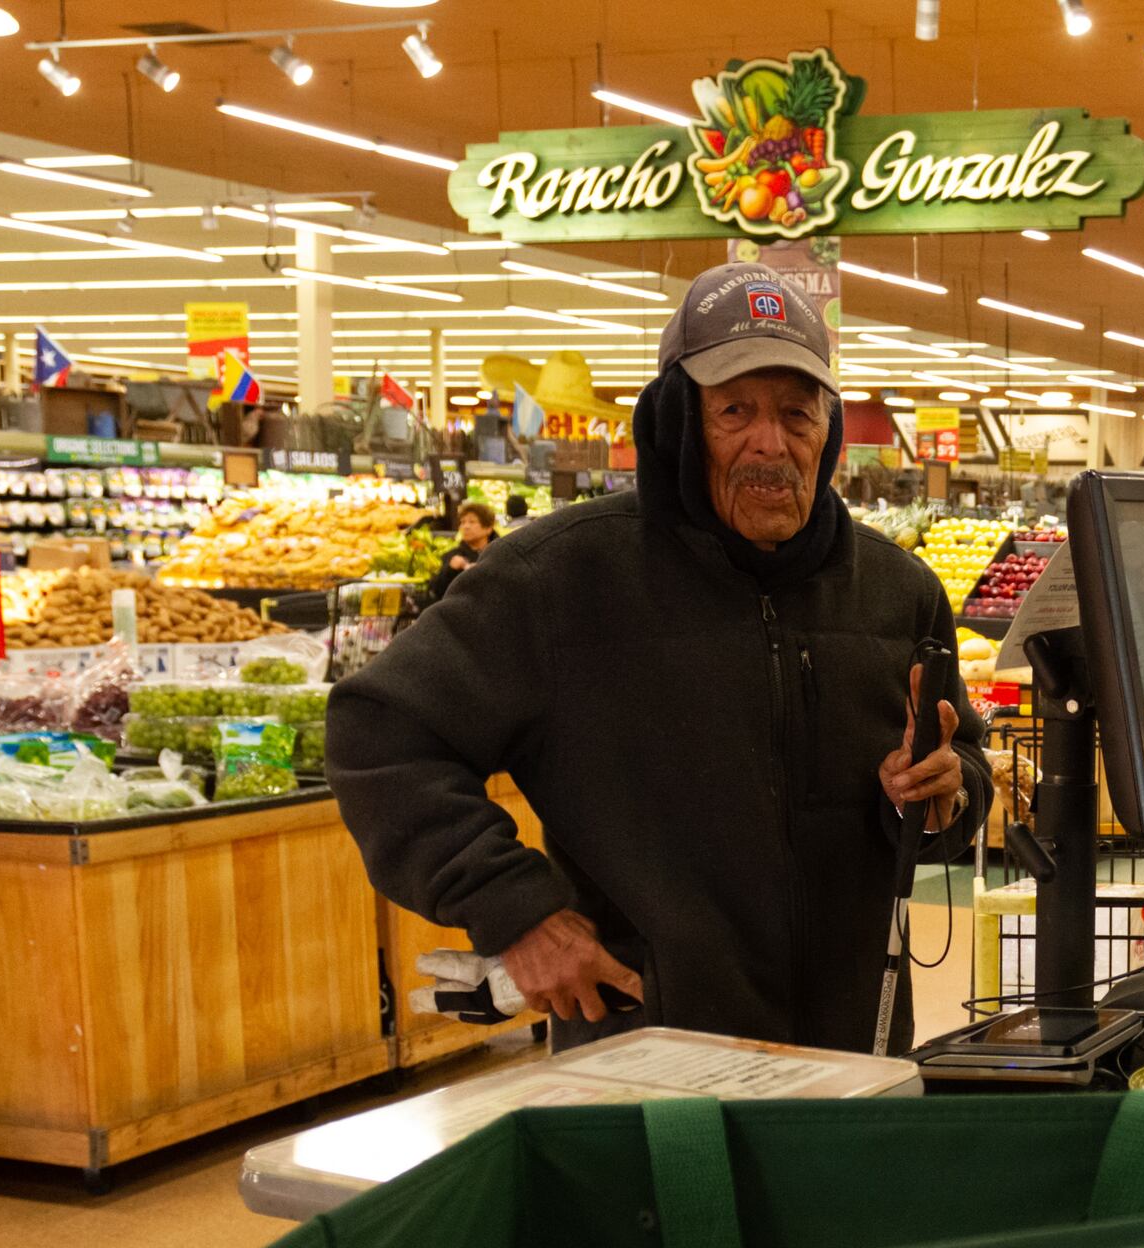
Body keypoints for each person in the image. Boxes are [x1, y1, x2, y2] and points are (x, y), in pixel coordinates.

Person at [329, 262, 990, 1052]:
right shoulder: (565, 579)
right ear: (679, 418)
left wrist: (948, 793)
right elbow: (379, 731)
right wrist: (516, 909)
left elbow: (961, 770)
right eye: (734, 410)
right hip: (648, 1067)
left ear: (830, 429)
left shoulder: (897, 593)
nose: (769, 443)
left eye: (796, 412)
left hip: (853, 1057)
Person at [426, 501, 496, 603]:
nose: (466, 526)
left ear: (488, 528)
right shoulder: (451, 555)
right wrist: (450, 569)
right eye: (463, 522)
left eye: (472, 522)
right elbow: (435, 591)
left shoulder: (499, 553)